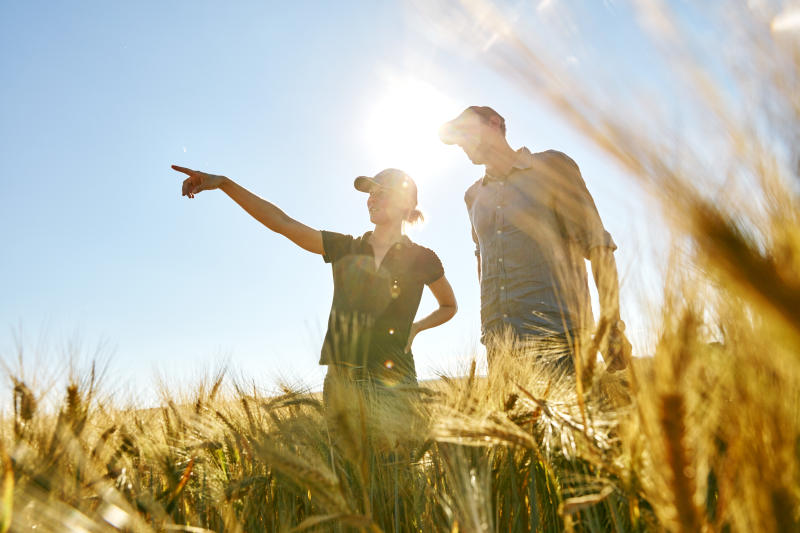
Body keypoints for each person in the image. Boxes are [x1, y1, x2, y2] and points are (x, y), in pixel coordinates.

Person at [171, 165, 457, 401]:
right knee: (344, 470)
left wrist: (417, 328)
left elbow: (448, 306)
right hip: (343, 380)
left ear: (406, 203)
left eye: (381, 193)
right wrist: (223, 183)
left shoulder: (422, 258)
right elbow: (281, 222)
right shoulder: (346, 248)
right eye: (370, 193)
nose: (371, 198)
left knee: (397, 467)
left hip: (397, 378)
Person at [439, 106, 630, 374]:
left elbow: (597, 244)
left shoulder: (552, 167)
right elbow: (483, 259)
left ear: (495, 123)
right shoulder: (473, 196)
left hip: (560, 334)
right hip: (500, 345)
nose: (462, 143)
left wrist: (611, 324)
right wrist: (488, 332)